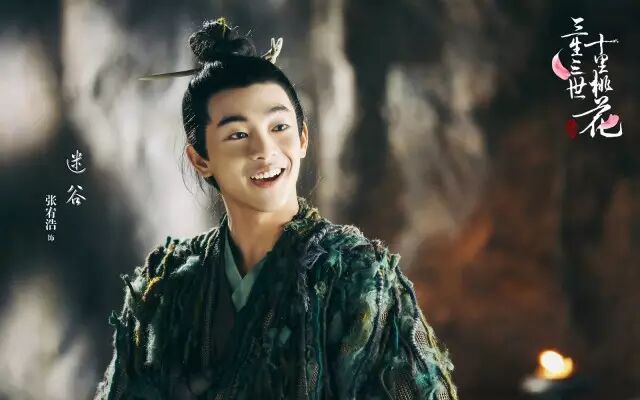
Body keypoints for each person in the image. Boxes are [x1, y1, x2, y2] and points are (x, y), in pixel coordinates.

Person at [94, 17, 459, 400]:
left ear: (302, 138)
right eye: (238, 134)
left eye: (279, 127)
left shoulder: (357, 278)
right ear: (201, 159)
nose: (264, 151)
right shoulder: (167, 287)